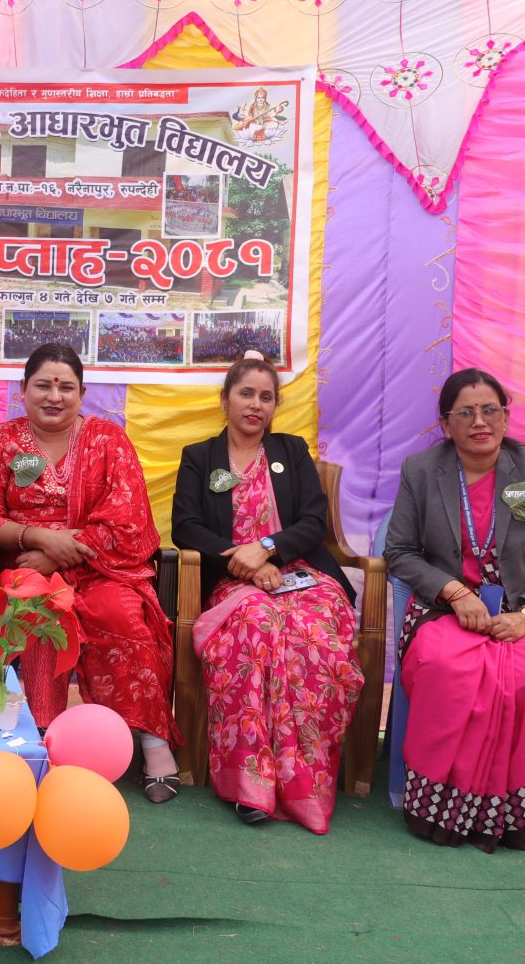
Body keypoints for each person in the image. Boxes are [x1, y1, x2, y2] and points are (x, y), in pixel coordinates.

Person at [384, 368, 525, 852]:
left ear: (505, 417)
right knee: (444, 666)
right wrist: (454, 591)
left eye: (490, 409)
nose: (480, 421)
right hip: (447, 611)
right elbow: (400, 552)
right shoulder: (421, 470)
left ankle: (511, 815)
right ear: (446, 424)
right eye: (466, 412)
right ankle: (439, 810)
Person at [0, 343, 181, 802]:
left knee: (121, 614)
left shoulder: (109, 440)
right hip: (28, 566)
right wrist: (39, 539)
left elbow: (127, 519)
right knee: (38, 612)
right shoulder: (1, 441)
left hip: (103, 568)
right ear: (23, 390)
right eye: (43, 386)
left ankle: (153, 743)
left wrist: (61, 553)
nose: (54, 396)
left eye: (66, 387)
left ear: (82, 394)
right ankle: (43, 739)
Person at [171, 352, 364, 832]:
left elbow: (313, 522)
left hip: (303, 576)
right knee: (258, 624)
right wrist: (246, 564)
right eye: (245, 394)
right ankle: (252, 783)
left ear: (275, 405)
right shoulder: (200, 457)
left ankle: (305, 782)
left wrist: (268, 549)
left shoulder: (291, 451)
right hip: (233, 581)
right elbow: (186, 527)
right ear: (225, 399)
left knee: (314, 636)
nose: (255, 405)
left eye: (266, 397)